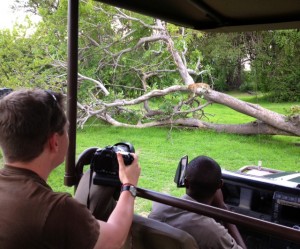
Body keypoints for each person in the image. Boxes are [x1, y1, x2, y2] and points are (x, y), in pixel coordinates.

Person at [0, 89, 141, 249]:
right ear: (55, 142)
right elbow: (114, 238)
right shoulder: (56, 210)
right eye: (66, 129)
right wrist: (129, 186)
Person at [148, 155, 247, 249]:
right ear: (220, 185)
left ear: (186, 183)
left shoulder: (159, 204)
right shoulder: (213, 232)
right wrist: (223, 208)